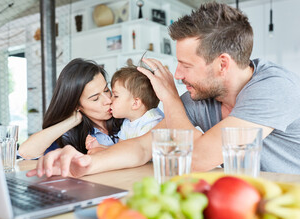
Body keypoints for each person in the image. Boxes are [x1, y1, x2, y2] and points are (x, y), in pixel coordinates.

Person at [26, 2, 300, 179]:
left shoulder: (274, 88)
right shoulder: (201, 98)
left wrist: (169, 98)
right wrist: (87, 164)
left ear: (222, 64)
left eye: (185, 65)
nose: (177, 75)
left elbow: (200, 159)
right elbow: (144, 145)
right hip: (242, 202)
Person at [18, 58, 123, 169]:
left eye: (106, 90)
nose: (108, 100)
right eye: (95, 98)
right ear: (77, 105)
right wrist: (73, 120)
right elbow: (26, 152)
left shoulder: (127, 117)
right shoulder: (71, 136)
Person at [85, 65, 164, 153]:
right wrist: (99, 147)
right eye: (95, 98)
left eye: (116, 96)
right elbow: (120, 150)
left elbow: (136, 155)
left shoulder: (152, 124)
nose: (110, 100)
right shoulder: (127, 123)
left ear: (135, 103)